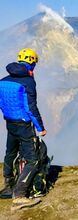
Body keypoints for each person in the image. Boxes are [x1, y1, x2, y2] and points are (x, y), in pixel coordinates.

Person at [0, 48, 47, 211]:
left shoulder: (3, 80)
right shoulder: (28, 82)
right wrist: (41, 128)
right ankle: (19, 196)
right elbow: (31, 107)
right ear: (32, 62)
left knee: (10, 153)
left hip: (10, 122)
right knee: (32, 160)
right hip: (23, 124)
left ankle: (8, 187)